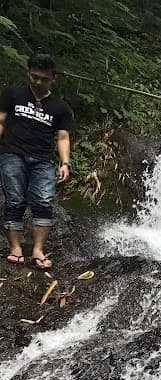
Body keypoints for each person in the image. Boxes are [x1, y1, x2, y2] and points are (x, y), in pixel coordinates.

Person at [0, 54, 73, 269]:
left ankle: (38, 250)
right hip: (12, 153)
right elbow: (1, 121)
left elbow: (63, 137)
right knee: (14, 200)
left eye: (43, 78)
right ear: (28, 74)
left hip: (43, 159)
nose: (38, 82)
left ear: (53, 78)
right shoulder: (12, 94)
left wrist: (65, 163)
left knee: (43, 201)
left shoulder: (60, 107)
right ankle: (15, 248)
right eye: (34, 77)